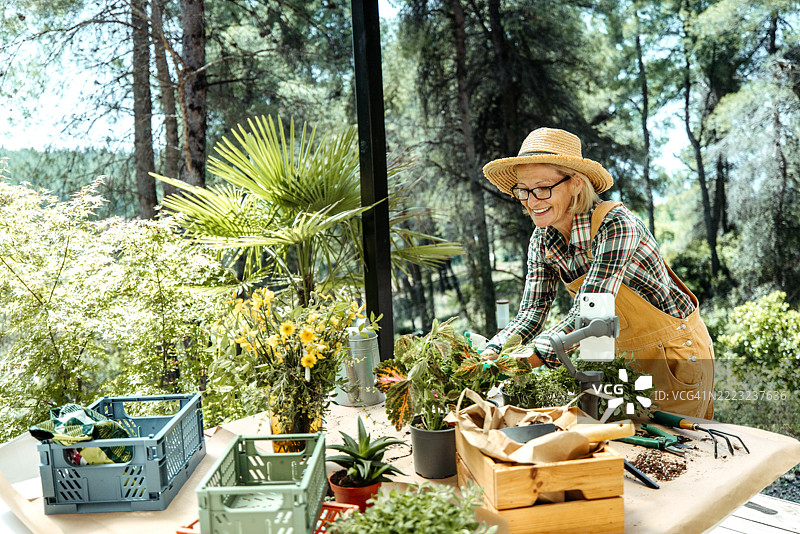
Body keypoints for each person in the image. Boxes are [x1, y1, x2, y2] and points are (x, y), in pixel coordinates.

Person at [481, 127, 714, 419]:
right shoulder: (543, 241)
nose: (531, 201)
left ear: (576, 183)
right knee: (622, 450)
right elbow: (531, 313)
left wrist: (533, 356)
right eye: (523, 191)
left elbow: (591, 309)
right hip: (623, 358)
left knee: (685, 451)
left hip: (673, 353)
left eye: (542, 188)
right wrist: (491, 351)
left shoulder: (615, 225)